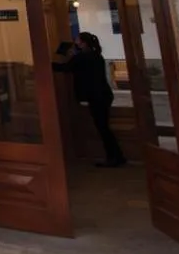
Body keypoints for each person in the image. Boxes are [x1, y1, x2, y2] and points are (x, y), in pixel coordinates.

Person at [54, 31, 126, 167]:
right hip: (103, 95)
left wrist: (42, 64)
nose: (75, 42)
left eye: (77, 40)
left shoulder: (82, 57)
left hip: (96, 96)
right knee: (104, 127)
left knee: (103, 128)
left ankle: (114, 157)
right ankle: (117, 156)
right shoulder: (95, 55)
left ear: (83, 43)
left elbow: (65, 68)